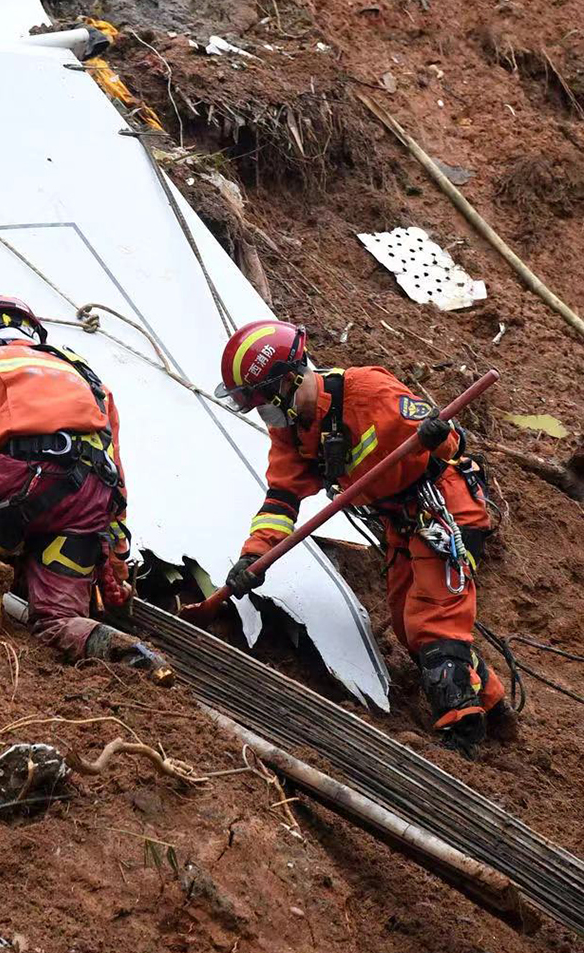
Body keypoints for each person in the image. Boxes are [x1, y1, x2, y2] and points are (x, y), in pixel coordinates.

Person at [215, 319, 514, 754]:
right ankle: (490, 702)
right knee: (404, 622)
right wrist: (252, 558)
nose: (266, 414)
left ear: (293, 379)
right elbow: (282, 500)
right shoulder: (293, 432)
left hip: (444, 504)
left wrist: (436, 435)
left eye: (265, 401)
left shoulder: (368, 390)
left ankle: (461, 733)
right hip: (400, 519)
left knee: (431, 619)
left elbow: (449, 442)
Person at [0, 294, 171, 683]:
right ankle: (133, 655)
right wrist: (116, 553)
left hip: (23, 482)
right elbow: (114, 467)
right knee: (58, 619)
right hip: (89, 502)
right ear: (34, 332)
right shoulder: (91, 379)